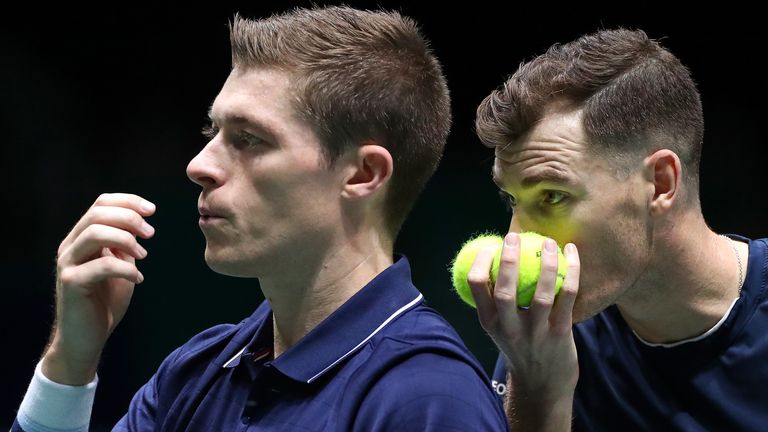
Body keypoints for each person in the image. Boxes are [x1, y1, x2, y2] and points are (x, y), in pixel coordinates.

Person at [13, 6, 508, 431]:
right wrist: (71, 360)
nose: (199, 165)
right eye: (214, 130)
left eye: (249, 139)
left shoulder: (428, 399)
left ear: (362, 173)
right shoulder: (196, 374)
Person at [469, 28, 768, 430]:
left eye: (553, 196)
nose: (516, 240)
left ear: (660, 183)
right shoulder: (549, 341)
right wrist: (539, 393)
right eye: (512, 200)